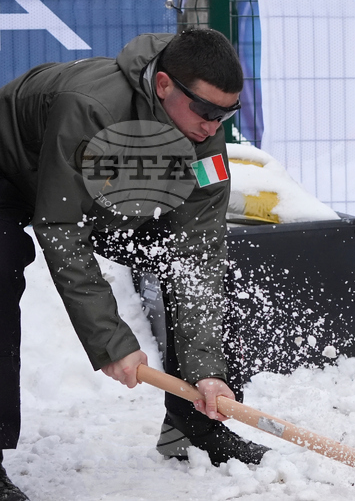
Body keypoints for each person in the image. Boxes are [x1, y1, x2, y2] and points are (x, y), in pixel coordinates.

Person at [0, 29, 268, 500]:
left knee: (202, 265)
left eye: (227, 114)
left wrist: (207, 367)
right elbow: (62, 226)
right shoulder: (90, 107)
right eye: (205, 112)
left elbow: (198, 250)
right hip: (10, 169)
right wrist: (111, 341)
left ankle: (193, 427)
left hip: (106, 188)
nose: (213, 126)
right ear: (163, 85)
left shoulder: (202, 135)